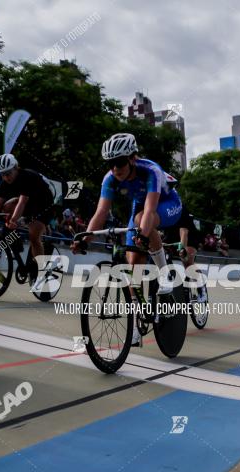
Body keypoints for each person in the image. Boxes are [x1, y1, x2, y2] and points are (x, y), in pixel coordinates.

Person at [73, 133, 183, 346]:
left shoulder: (151, 170)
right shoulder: (110, 178)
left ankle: (164, 275)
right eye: (110, 163)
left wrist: (143, 233)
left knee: (143, 220)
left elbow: (150, 210)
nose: (115, 168)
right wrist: (85, 239)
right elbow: (101, 212)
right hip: (141, 206)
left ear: (133, 158)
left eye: (120, 162)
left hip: (168, 204)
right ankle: (136, 324)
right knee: (134, 264)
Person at [0, 154, 54, 270]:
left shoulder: (26, 177)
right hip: (30, 200)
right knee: (5, 207)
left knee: (34, 236)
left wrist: (13, 220)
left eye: (8, 173)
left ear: (16, 168)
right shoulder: (5, 182)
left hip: (45, 203)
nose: (6, 177)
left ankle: (41, 269)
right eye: (2, 174)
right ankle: (15, 238)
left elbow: (22, 202)